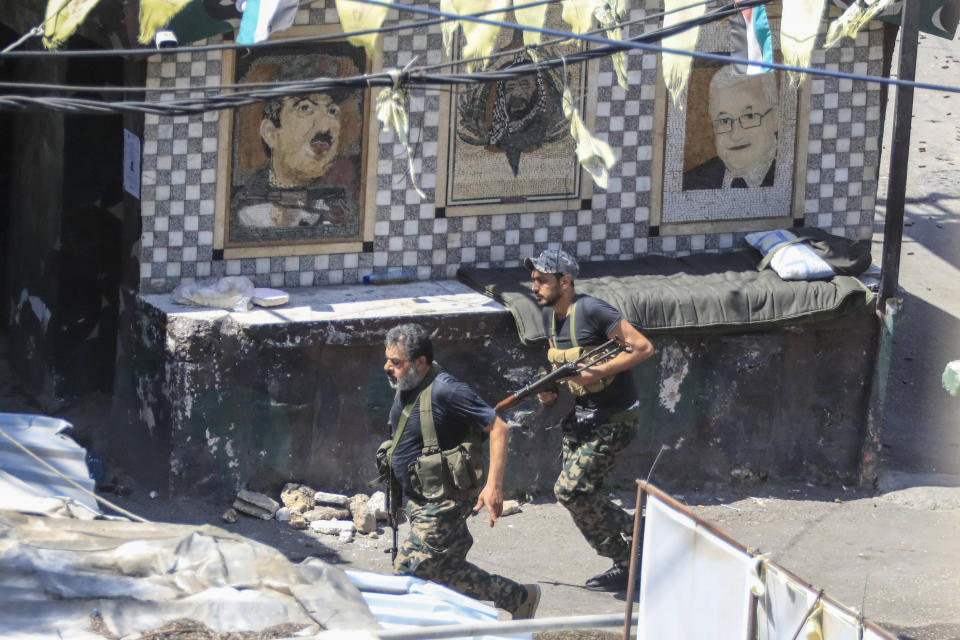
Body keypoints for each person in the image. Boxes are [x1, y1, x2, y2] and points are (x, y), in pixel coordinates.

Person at [379, 323, 541, 618]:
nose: (387, 367)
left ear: (420, 362)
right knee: (446, 573)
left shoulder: (446, 390)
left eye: (396, 362)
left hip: (445, 501)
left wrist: (493, 486)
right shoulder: (407, 384)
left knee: (406, 573)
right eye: (387, 359)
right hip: (421, 499)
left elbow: (499, 428)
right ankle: (518, 598)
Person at [524, 249, 655, 592]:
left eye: (542, 280)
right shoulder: (552, 317)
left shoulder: (593, 310)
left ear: (565, 281)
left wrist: (597, 371)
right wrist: (549, 390)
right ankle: (627, 562)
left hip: (614, 418)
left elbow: (641, 347)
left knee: (570, 490)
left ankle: (645, 530)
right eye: (534, 279)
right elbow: (562, 367)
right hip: (578, 418)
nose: (534, 286)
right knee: (581, 498)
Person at [232, 83, 358, 228]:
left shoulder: (342, 205)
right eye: (305, 108)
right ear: (271, 133)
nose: (325, 127)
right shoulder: (241, 205)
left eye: (332, 111)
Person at [683, 65, 779, 191]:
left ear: (775, 118)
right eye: (724, 120)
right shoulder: (691, 182)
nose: (735, 135)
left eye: (749, 116)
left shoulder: (791, 174)